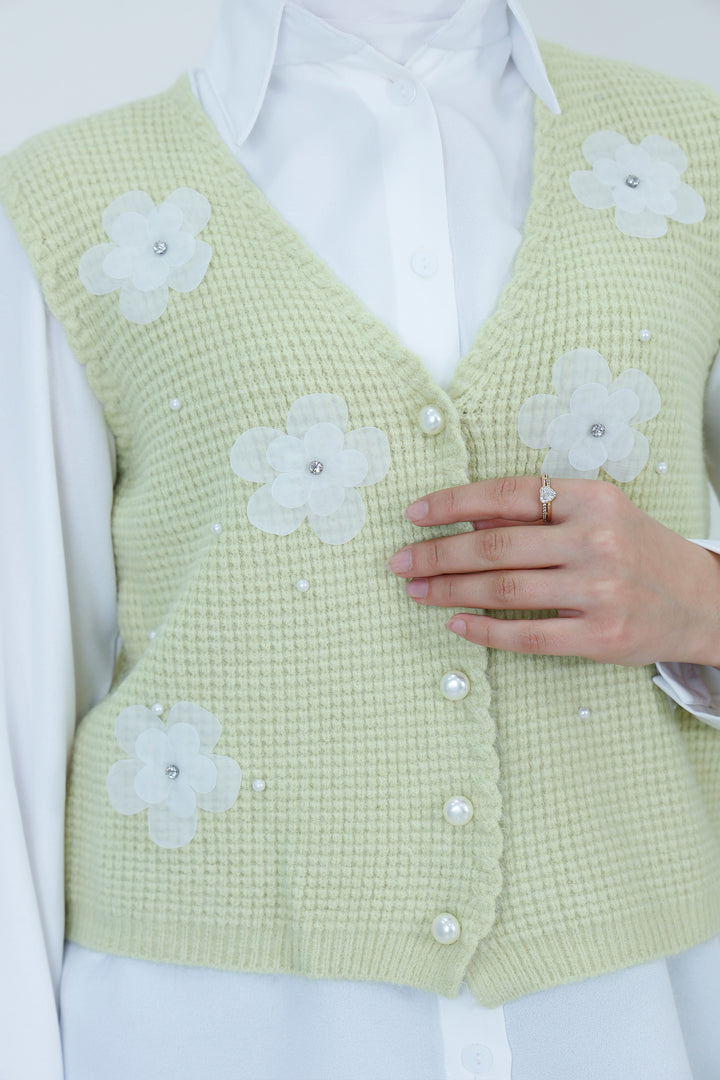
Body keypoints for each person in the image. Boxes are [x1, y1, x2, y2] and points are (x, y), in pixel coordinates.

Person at [2, 1, 720, 1077]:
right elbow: (16, 698)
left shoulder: (691, 162)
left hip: (630, 1008)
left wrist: (703, 604)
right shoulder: (73, 204)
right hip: (206, 1025)